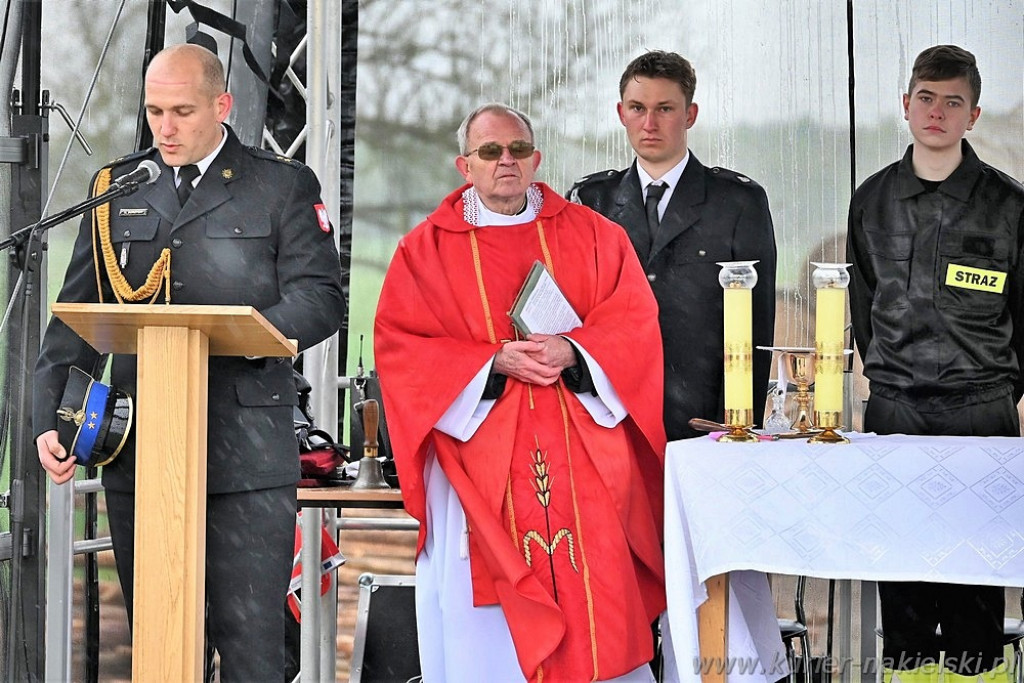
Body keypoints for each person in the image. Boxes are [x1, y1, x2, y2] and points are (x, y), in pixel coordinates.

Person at [33, 44, 345, 681]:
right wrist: (50, 420)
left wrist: (240, 333)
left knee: (251, 644)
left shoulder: (281, 185)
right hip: (143, 450)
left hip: (247, 452)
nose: (166, 129)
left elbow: (320, 299)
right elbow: (75, 320)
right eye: (154, 112)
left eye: (182, 111)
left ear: (222, 105)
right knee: (159, 637)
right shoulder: (118, 189)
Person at [374, 103, 667, 682]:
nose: (505, 161)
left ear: (537, 159)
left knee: (597, 598)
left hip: (579, 453)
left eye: (517, 149)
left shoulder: (593, 236)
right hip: (477, 454)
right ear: (465, 165)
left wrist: (575, 351)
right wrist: (492, 361)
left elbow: (635, 322)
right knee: (484, 631)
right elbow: (402, 348)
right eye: (489, 152)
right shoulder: (424, 250)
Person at [848, 44, 1023, 683]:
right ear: (906, 104)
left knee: (977, 571)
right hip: (896, 410)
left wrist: (992, 388)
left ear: (973, 115)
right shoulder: (871, 201)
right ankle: (909, 671)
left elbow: (1022, 319)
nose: (937, 112)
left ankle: (978, 674)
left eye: (954, 102)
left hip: (982, 412)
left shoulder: (1010, 206)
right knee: (904, 570)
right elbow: (865, 308)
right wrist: (894, 380)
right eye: (926, 97)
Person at [569, 50, 777, 441]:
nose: (649, 123)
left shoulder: (736, 202)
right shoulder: (591, 201)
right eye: (637, 107)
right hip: (609, 413)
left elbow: (756, 324)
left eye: (664, 108)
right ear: (621, 112)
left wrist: (740, 428)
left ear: (690, 115)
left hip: (701, 419)